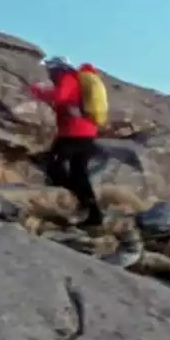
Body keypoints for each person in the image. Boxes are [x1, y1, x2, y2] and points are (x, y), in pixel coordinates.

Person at [30, 55, 104, 227]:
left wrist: (37, 91)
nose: (48, 74)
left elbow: (59, 97)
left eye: (50, 70)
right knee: (78, 171)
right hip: (85, 132)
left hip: (74, 132)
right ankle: (92, 213)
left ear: (57, 68)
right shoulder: (73, 79)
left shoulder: (67, 78)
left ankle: (71, 201)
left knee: (54, 164)